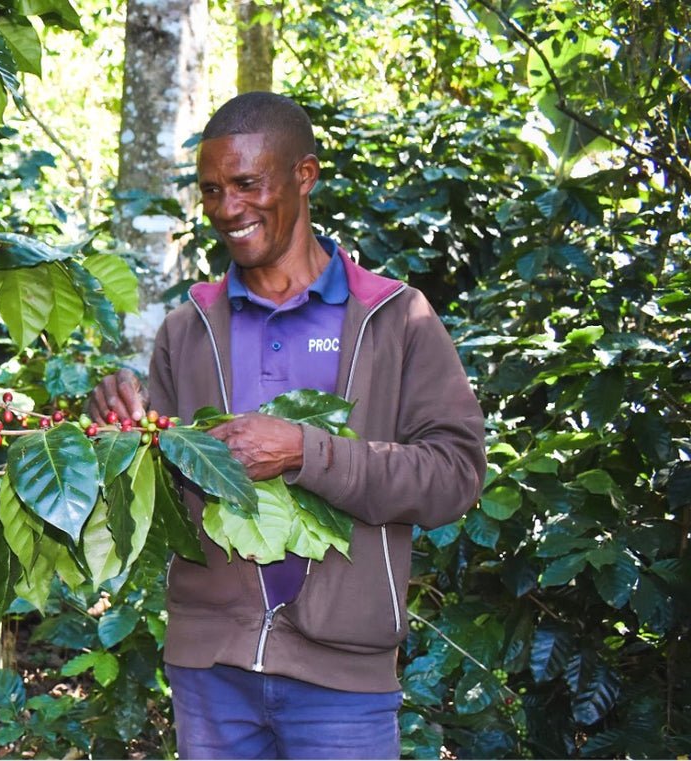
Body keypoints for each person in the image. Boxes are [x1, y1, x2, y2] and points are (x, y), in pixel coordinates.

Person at [89, 92, 486, 759]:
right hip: (212, 670)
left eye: (248, 183)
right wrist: (117, 429)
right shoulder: (189, 330)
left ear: (306, 175)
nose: (226, 208)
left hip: (344, 680)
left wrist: (308, 451)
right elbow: (157, 484)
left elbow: (455, 474)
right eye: (212, 190)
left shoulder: (394, 318)